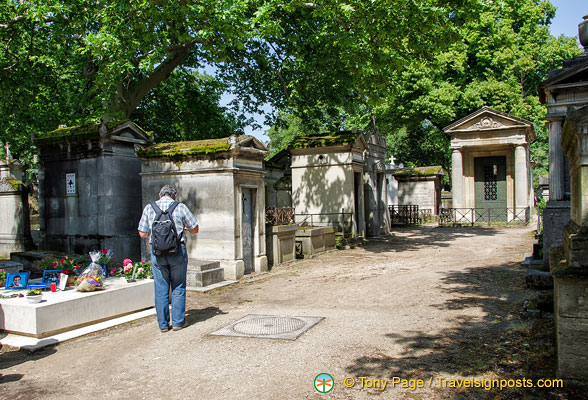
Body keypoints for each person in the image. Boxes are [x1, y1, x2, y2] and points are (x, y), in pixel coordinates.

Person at [138, 184, 199, 333]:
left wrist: (154, 235)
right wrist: (184, 230)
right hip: (177, 250)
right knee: (178, 286)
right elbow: (195, 229)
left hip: (157, 253)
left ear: (160, 195)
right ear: (174, 196)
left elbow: (142, 232)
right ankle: (178, 322)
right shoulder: (180, 207)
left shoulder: (149, 207)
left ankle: (163, 325)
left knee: (161, 288)